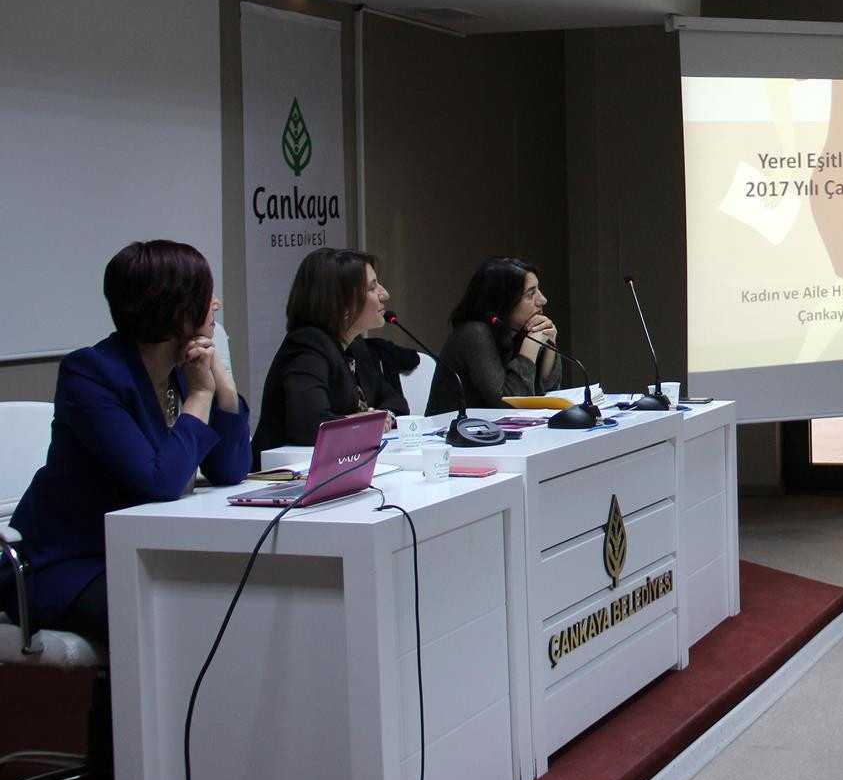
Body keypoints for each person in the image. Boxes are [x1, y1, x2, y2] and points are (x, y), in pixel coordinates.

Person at [7, 240, 251, 641]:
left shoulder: (180, 368)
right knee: (181, 619)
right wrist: (200, 395)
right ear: (177, 309)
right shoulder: (90, 373)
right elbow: (159, 482)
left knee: (232, 597)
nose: (217, 304)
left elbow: (230, 469)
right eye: (206, 295)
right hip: (71, 564)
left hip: (144, 551)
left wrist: (221, 384)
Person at [251, 248, 407, 461]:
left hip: (335, 464)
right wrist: (366, 423)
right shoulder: (307, 346)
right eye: (372, 288)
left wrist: (385, 416)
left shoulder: (355, 345)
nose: (384, 294)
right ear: (342, 304)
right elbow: (311, 425)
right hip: (283, 472)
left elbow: (396, 401)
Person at [425, 257, 563, 414]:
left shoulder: (518, 331)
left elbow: (546, 394)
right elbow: (510, 405)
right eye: (530, 294)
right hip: (450, 427)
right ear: (503, 300)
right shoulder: (473, 333)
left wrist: (549, 343)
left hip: (491, 427)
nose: (543, 300)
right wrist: (529, 349)